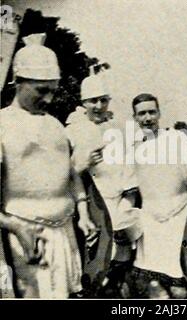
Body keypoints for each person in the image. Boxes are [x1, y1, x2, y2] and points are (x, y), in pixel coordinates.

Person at [0, 33, 95, 298]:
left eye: (53, 90)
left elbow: (70, 175)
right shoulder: (2, 124)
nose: (50, 99)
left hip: (64, 234)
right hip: (22, 237)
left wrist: (84, 215)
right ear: (19, 82)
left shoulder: (56, 126)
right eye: (42, 90)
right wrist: (16, 227)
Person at [66, 67, 142, 297]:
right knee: (89, 261)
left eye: (102, 100)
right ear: (83, 103)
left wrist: (126, 204)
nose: (98, 106)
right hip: (85, 203)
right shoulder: (71, 131)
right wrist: (81, 163)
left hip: (117, 201)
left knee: (121, 256)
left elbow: (129, 169)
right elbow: (64, 171)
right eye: (92, 101)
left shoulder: (118, 130)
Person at [126, 93, 187, 298]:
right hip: (150, 220)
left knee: (179, 287)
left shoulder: (177, 138)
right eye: (142, 113)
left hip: (180, 217)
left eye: (151, 112)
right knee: (154, 285)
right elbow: (130, 188)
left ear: (159, 113)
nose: (147, 118)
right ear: (135, 117)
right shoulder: (132, 148)